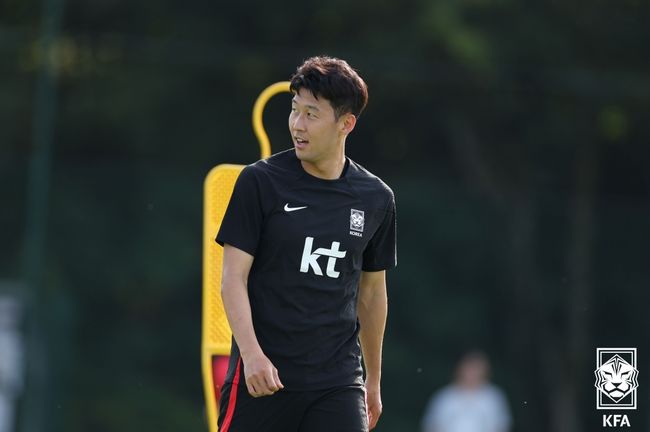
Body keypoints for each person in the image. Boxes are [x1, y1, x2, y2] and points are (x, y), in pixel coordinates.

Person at [215, 56, 397, 432]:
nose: (297, 125)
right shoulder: (259, 182)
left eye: (311, 114)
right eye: (294, 110)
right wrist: (252, 356)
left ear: (346, 124)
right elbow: (233, 278)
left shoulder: (376, 198)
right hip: (262, 378)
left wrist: (373, 381)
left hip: (337, 383)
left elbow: (372, 293)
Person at [421, 351, 512, 432]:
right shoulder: (444, 397)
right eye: (470, 368)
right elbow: (431, 426)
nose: (473, 373)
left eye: (477, 368)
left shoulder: (494, 397)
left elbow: (501, 426)